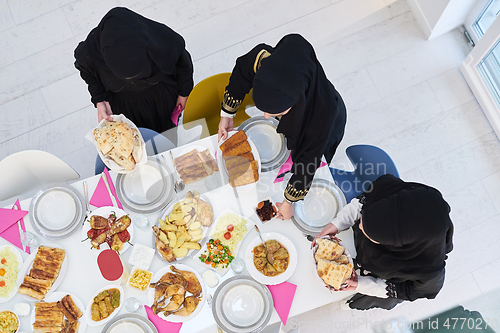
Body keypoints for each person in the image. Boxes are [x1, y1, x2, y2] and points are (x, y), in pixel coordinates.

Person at [218, 34, 347, 219]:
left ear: (297, 99)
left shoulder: (323, 114)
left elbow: (308, 161)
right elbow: (241, 73)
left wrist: (288, 203)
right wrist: (227, 115)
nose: (267, 117)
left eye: (275, 111)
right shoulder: (264, 61)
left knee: (314, 159)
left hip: (328, 122)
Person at [312, 174, 454, 310]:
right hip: (365, 251)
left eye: (370, 234)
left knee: (365, 300)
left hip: (381, 280)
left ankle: (351, 304)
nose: (359, 226)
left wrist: (361, 285)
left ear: (394, 244)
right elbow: (363, 202)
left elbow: (408, 290)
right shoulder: (392, 190)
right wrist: (338, 223)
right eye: (363, 220)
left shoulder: (429, 272)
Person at [74, 7, 194, 133]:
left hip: (161, 98)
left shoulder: (161, 40)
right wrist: (99, 100)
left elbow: (183, 65)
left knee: (167, 133)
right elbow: (87, 72)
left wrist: (184, 93)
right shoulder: (89, 54)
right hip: (124, 107)